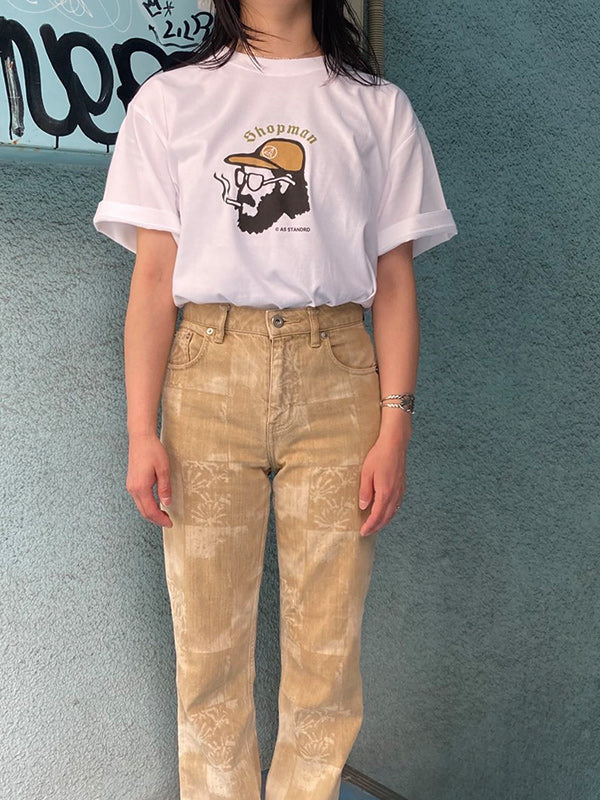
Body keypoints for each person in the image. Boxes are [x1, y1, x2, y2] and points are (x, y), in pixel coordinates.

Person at [93, 0, 458, 797]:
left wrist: (395, 426)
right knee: (208, 648)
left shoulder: (375, 107)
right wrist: (140, 430)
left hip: (339, 378)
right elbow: (152, 280)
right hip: (208, 375)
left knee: (327, 649)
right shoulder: (173, 100)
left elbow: (395, 281)